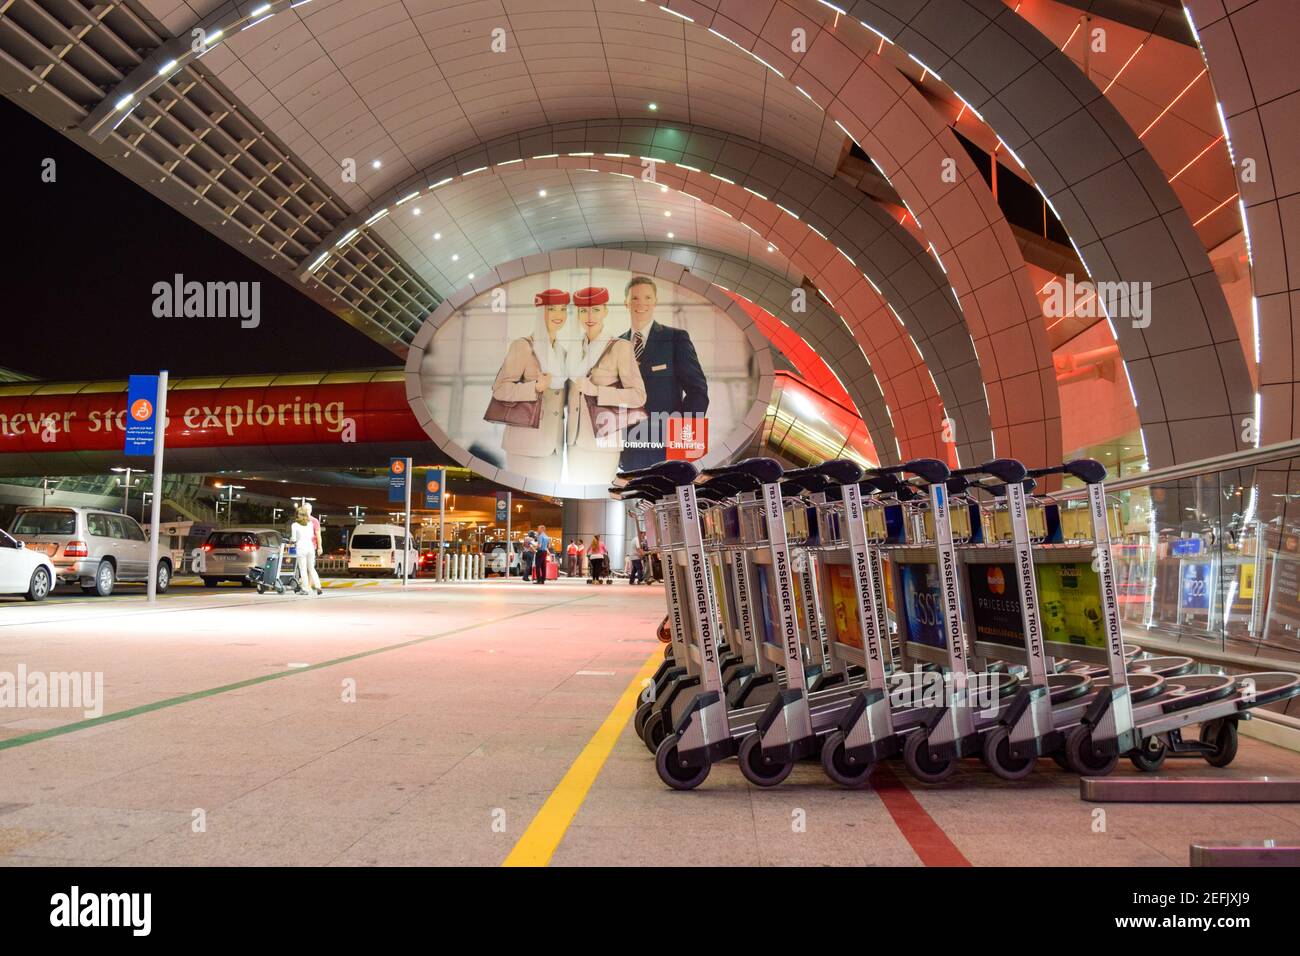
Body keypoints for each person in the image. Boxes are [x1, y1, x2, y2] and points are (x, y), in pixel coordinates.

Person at [617, 276, 709, 472]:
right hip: (626, 448)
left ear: (655, 301)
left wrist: (681, 439)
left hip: (664, 448)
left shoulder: (675, 338)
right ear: (626, 302)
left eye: (647, 298)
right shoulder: (616, 344)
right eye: (634, 298)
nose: (641, 303)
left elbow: (697, 391)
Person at [565, 286, 646, 484]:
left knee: (600, 494)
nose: (589, 316)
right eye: (583, 310)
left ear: (605, 311)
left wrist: (598, 392)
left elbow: (638, 396)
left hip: (604, 440)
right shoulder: (574, 349)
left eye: (595, 309)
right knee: (576, 494)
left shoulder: (620, 347)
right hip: (574, 442)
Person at [490, 289, 569, 481]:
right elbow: (499, 388)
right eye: (551, 309)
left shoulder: (562, 352)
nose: (558, 315)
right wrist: (534, 387)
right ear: (540, 312)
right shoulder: (523, 345)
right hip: (525, 445)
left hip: (555, 447)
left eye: (563, 309)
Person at [290, 507, 322, 596]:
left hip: (301, 548)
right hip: (310, 547)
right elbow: (312, 535)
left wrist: (291, 541)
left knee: (303, 569)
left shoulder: (295, 525)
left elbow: (294, 539)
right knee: (311, 568)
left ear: (297, 515)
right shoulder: (310, 524)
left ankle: (305, 589)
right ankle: (318, 586)